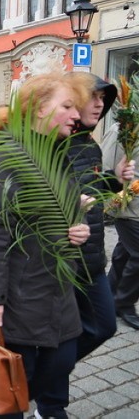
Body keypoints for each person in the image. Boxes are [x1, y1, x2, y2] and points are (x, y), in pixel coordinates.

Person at [0, 72, 92, 419]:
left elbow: (64, 209)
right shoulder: (7, 158)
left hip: (57, 287)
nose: (76, 115)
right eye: (68, 106)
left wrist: (77, 228)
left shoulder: (57, 153)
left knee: (63, 359)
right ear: (39, 108)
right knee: (11, 393)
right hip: (20, 294)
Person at [33, 73, 136, 418]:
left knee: (103, 326)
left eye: (103, 99)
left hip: (90, 259)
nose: (99, 104)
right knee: (62, 339)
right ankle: (49, 404)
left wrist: (113, 178)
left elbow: (90, 191)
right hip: (63, 263)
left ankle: (39, 380)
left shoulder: (89, 143)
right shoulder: (54, 141)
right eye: (92, 96)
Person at [103, 93, 139, 330]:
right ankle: (123, 302)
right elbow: (107, 168)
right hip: (128, 206)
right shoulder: (122, 130)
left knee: (124, 253)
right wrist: (111, 200)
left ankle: (109, 295)